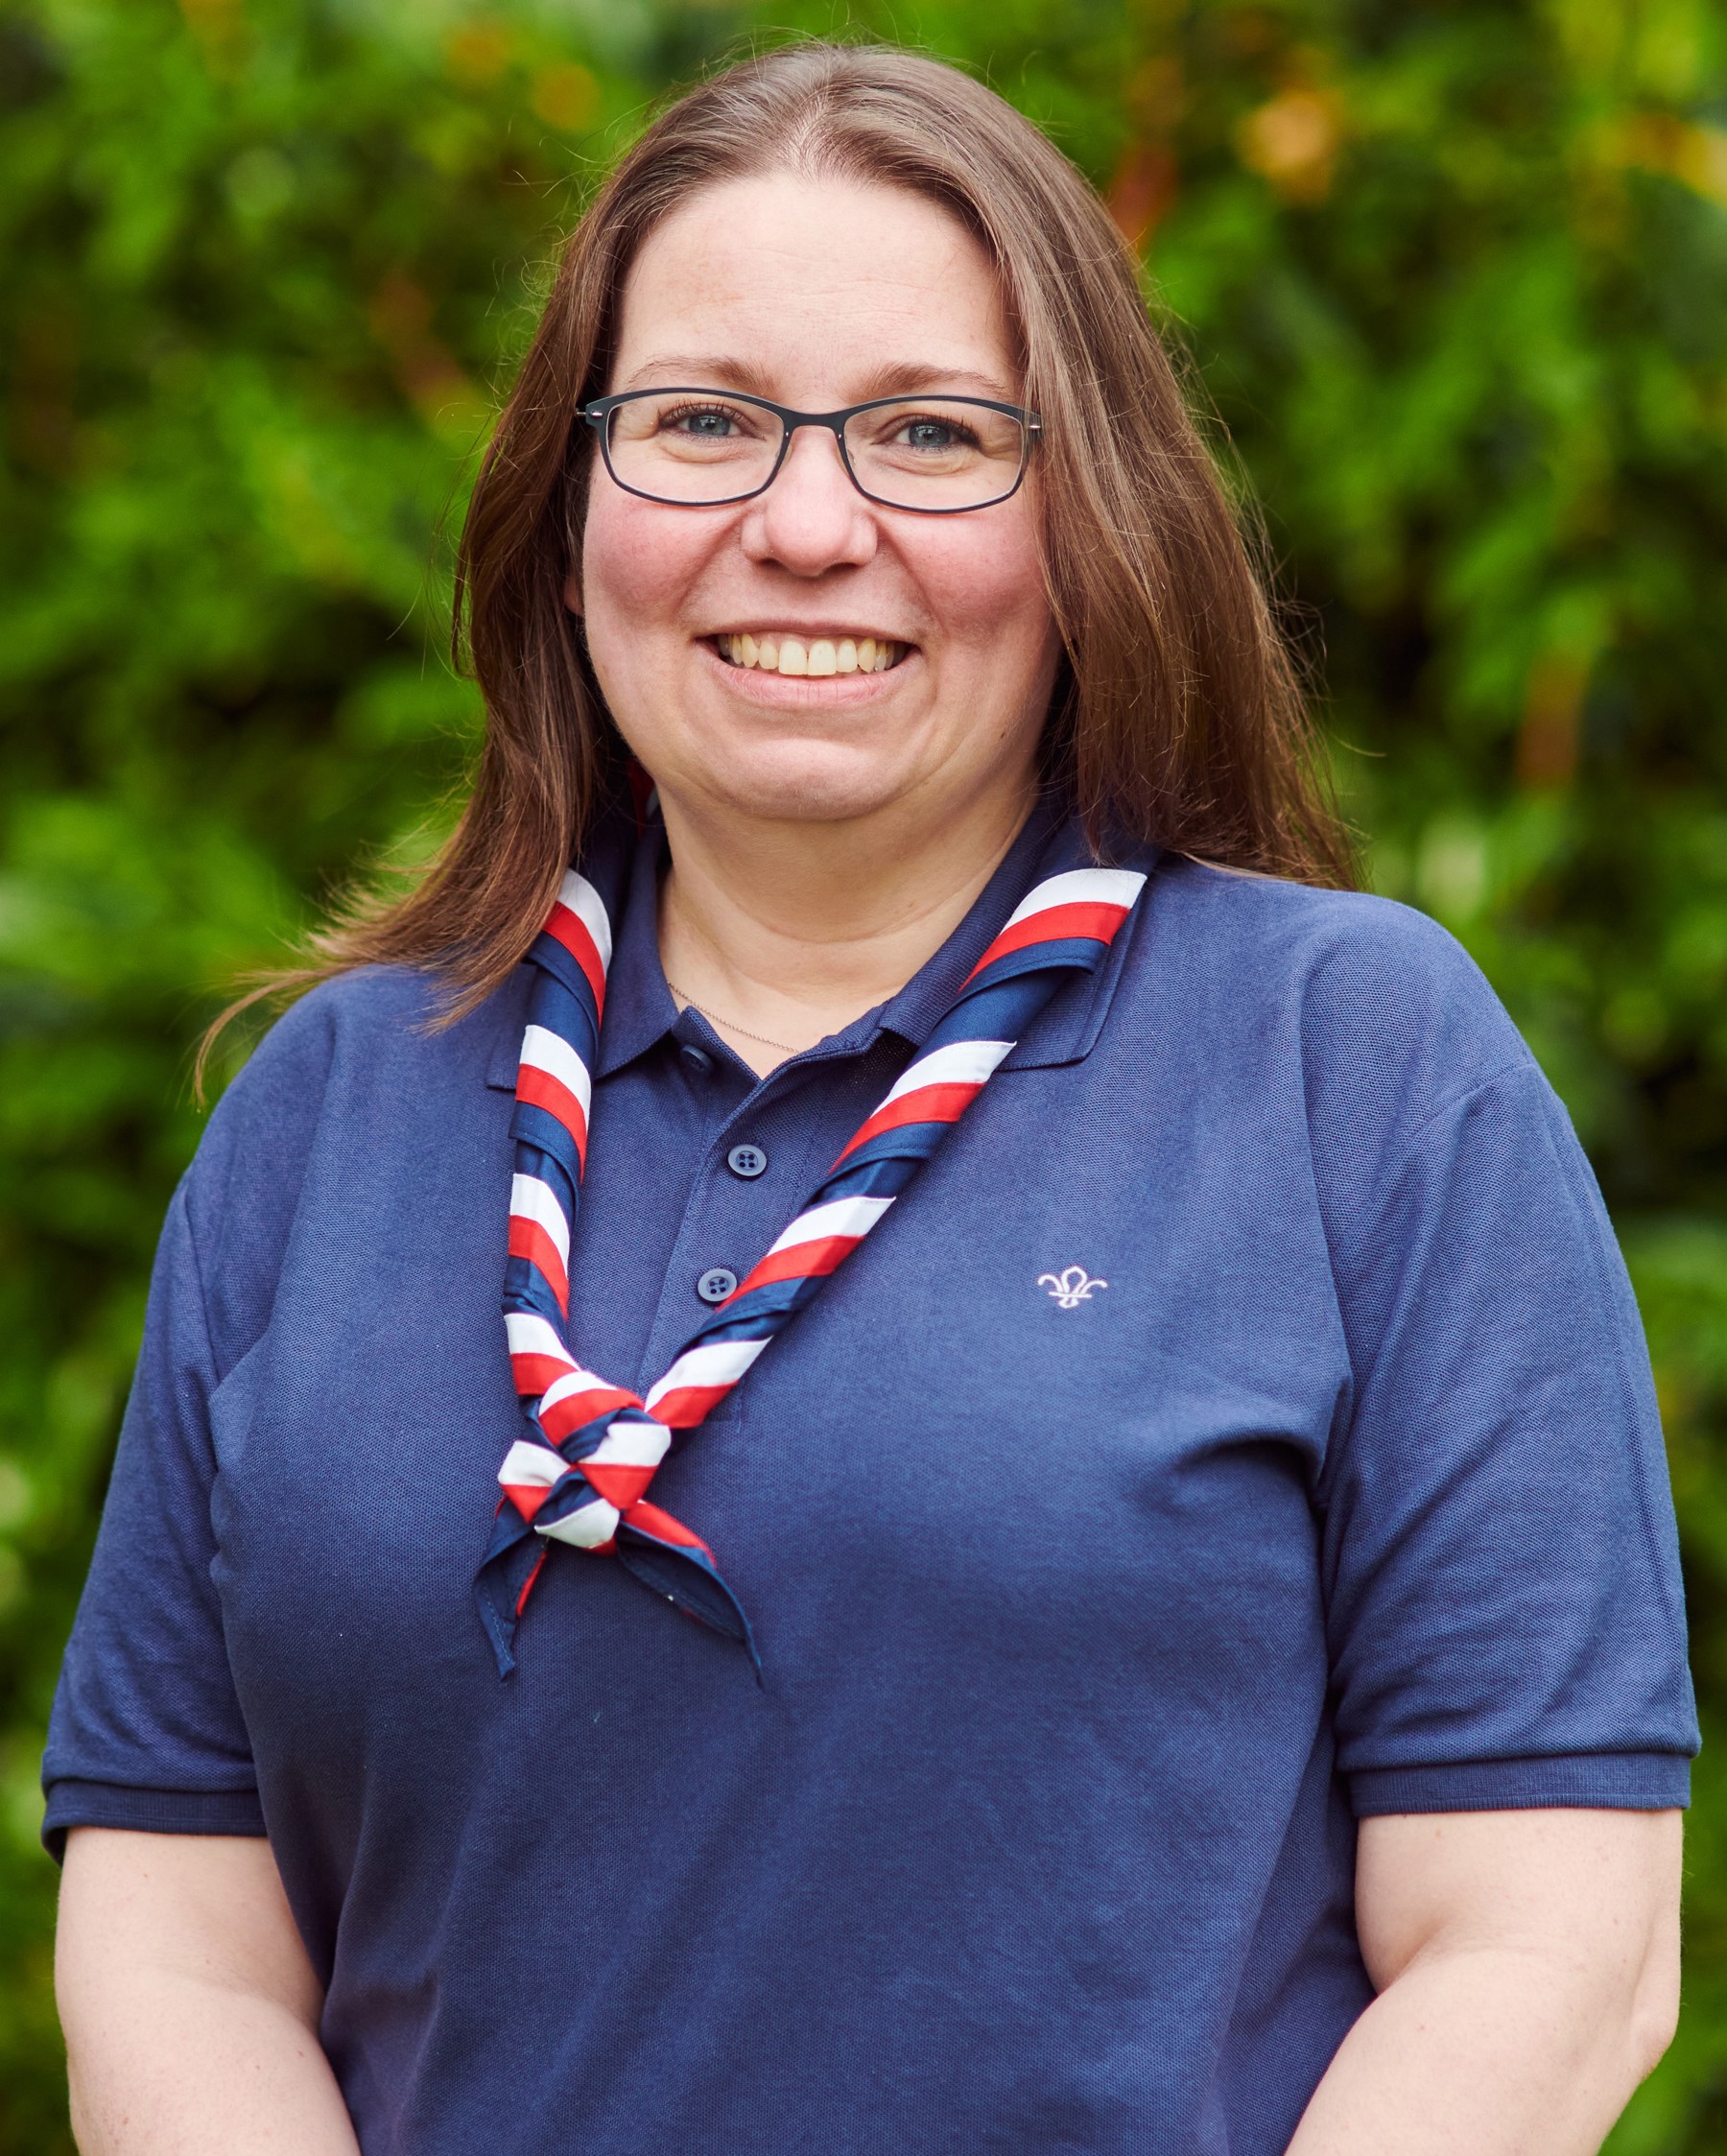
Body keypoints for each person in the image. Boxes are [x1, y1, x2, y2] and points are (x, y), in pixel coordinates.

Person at [45, 40, 1695, 2156]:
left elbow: (1549, 1935)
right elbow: (177, 1937)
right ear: (568, 522)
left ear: (1090, 521)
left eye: (930, 434)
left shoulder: (1353, 1064)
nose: (805, 525)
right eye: (704, 422)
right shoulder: (332, 1110)